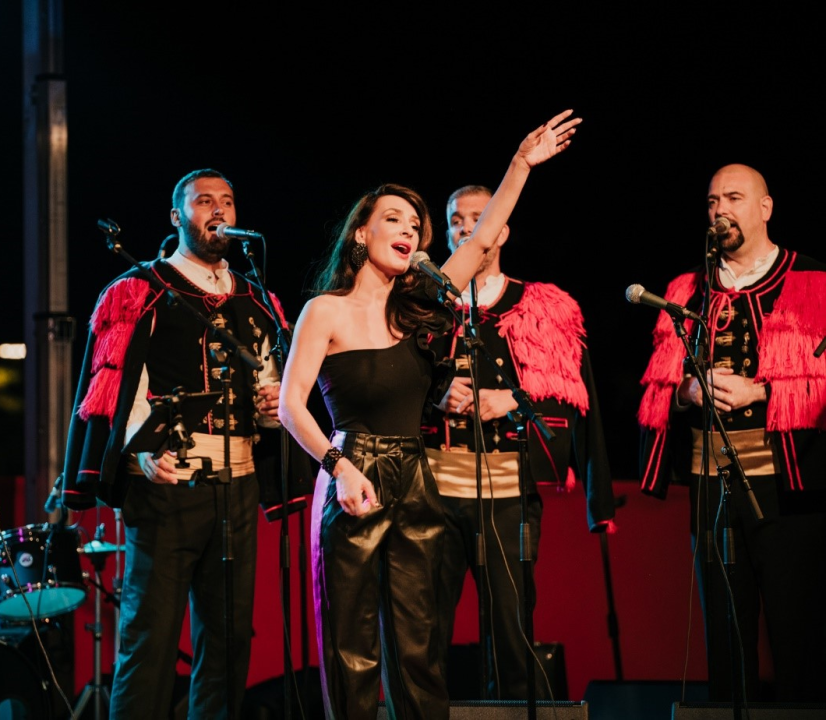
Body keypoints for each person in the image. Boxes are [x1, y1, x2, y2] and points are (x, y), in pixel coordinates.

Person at [278, 109, 581, 719]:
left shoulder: (420, 306)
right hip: (351, 472)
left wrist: (520, 163)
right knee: (352, 650)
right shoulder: (323, 311)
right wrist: (338, 468)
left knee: (418, 648)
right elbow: (290, 406)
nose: (410, 231)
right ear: (360, 234)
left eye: (416, 224)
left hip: (415, 479)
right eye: (394, 219)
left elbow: (484, 238)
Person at [62, 169, 285, 719]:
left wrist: (273, 407)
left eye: (228, 202)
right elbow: (116, 383)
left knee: (231, 640)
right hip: (165, 487)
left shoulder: (257, 300)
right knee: (150, 638)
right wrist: (139, 449)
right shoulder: (142, 288)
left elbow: (270, 382)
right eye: (204, 201)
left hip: (236, 487)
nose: (219, 211)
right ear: (175, 216)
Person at [636, 163, 826, 702]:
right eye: (713, 200)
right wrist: (687, 392)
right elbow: (659, 383)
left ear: (765, 208)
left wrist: (760, 391)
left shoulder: (812, 278)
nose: (720, 209)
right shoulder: (686, 289)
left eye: (734, 198)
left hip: (787, 483)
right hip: (709, 479)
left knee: (797, 632)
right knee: (724, 632)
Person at [423, 184, 615, 700]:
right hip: (431, 493)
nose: (466, 227)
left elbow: (575, 395)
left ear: (502, 228)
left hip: (509, 493)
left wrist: (510, 399)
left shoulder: (543, 305)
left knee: (511, 629)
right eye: (456, 219)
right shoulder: (423, 306)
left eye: (478, 217)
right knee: (423, 630)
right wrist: (436, 393)